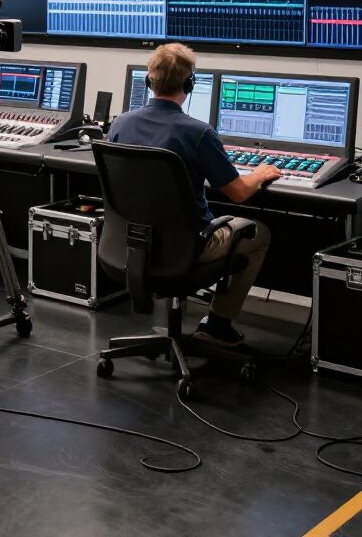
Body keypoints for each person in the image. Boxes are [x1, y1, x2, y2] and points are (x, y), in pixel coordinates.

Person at [108, 43, 277, 347]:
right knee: (258, 233)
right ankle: (218, 324)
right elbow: (238, 193)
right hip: (188, 247)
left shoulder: (120, 124)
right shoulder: (198, 132)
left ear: (149, 81)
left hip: (129, 243)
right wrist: (261, 174)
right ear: (189, 84)